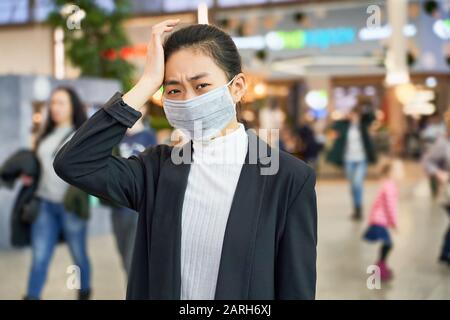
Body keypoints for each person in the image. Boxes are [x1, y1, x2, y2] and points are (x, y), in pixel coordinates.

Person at [53, 20, 317, 300]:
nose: (188, 100)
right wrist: (146, 83)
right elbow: (74, 163)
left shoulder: (287, 178)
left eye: (201, 86)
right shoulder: (155, 169)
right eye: (174, 90)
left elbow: (295, 288)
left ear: (237, 87)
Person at [25, 87, 91, 300]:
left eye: (61, 102)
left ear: (73, 106)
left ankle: (84, 291)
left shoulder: (80, 135)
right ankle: (32, 296)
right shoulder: (45, 134)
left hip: (70, 205)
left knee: (78, 255)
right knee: (39, 257)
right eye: (53, 103)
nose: (55, 107)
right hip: (44, 204)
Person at [110, 106, 156, 277]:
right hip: (118, 204)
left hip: (139, 205)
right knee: (123, 253)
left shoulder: (148, 136)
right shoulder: (117, 137)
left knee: (132, 258)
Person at [327, 101, 377, 220]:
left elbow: (372, 116)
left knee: (357, 183)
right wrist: (344, 118)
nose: (353, 116)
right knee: (352, 185)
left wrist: (365, 108)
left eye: (355, 115)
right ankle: (355, 207)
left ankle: (359, 208)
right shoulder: (344, 125)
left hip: (361, 159)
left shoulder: (363, 125)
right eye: (351, 114)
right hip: (348, 159)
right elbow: (331, 127)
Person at [362, 159, 399, 281]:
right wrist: (394, 223)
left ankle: (380, 266)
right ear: (391, 173)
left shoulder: (386, 184)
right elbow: (390, 206)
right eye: (398, 170)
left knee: (387, 244)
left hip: (379, 220)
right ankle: (380, 268)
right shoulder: (389, 186)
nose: (401, 173)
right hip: (380, 220)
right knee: (388, 244)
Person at [422, 110, 450, 266]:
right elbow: (427, 162)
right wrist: (439, 173)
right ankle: (446, 253)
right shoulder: (443, 143)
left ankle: (445, 252)